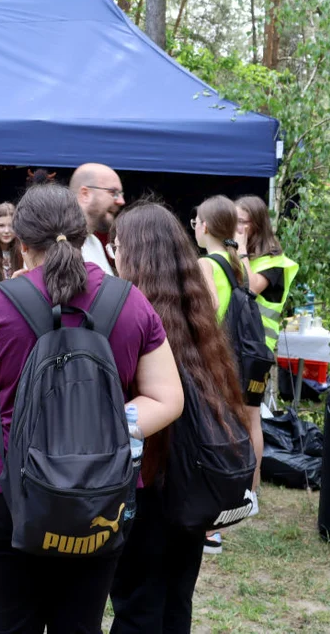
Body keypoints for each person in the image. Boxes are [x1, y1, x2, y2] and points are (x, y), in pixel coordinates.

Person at [0, 184, 183, 634]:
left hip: (8, 487)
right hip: (102, 494)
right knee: (79, 624)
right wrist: (108, 429)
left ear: (20, 243)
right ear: (84, 235)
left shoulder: (3, 301)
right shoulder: (127, 300)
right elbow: (168, 399)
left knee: (7, 624)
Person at [109, 201, 249, 634]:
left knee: (137, 607)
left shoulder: (130, 322)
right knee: (175, 604)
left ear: (135, 255)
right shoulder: (198, 321)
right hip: (192, 492)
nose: (113, 255)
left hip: (146, 489)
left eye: (117, 247)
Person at [193, 194, 263, 554]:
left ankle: (211, 526)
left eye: (195, 222)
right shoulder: (236, 261)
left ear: (204, 226)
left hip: (219, 359)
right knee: (249, 423)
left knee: (213, 430)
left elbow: (210, 312)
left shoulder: (207, 263)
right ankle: (246, 494)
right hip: (244, 357)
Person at [235, 196, 299, 351]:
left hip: (257, 346)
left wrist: (241, 249)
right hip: (237, 340)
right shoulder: (241, 255)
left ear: (256, 225)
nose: (235, 227)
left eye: (241, 221)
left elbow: (251, 289)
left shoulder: (274, 261)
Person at [70, 162, 125, 274]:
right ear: (85, 194)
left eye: (121, 194)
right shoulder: (53, 246)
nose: (121, 201)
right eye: (113, 192)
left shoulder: (94, 242)